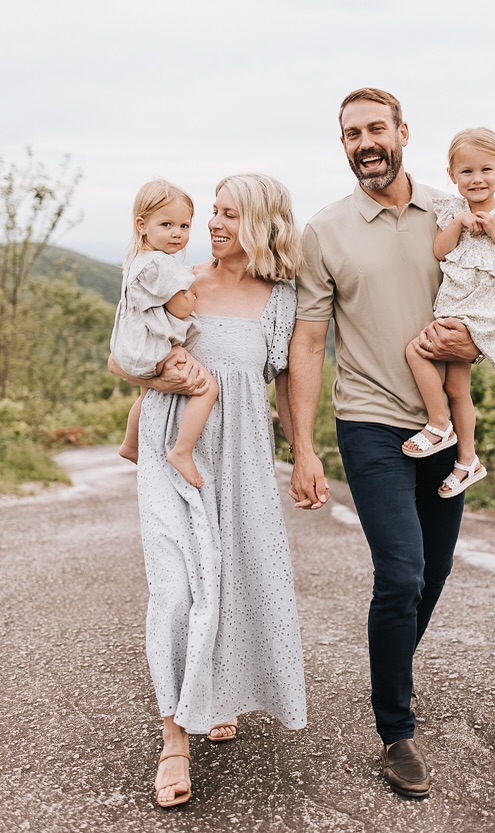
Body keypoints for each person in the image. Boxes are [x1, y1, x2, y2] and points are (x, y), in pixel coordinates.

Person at [288, 88, 481, 799]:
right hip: (369, 421)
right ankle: (395, 728)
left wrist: (477, 345)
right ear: (341, 144)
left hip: (443, 421)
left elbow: (486, 301)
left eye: (375, 129)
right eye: (349, 133)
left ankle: (389, 665)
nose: (363, 142)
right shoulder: (324, 230)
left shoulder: (449, 212)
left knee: (435, 570)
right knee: (399, 574)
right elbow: (309, 339)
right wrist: (303, 447)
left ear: (402, 132)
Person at [109, 173, 307, 808]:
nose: (215, 225)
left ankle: (217, 695)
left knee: (236, 577)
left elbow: (285, 380)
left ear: (262, 226)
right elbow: (121, 356)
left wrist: (305, 453)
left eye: (229, 215)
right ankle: (174, 736)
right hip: (175, 450)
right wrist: (161, 384)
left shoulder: (281, 298)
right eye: (212, 213)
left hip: (246, 455)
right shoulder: (175, 278)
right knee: (177, 586)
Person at [402, 128, 495, 498]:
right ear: (452, 176)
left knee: (416, 350)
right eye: (466, 172)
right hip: (459, 306)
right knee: (456, 387)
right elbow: (440, 251)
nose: (476, 179)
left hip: (486, 312)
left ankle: (439, 424)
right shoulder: (453, 211)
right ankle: (467, 460)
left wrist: (494, 230)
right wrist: (459, 224)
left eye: (485, 170)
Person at [111, 179, 218, 488]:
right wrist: (194, 289)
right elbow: (182, 307)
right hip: (153, 348)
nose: (177, 233)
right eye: (167, 224)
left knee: (146, 394)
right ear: (142, 225)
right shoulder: (159, 263)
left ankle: (130, 444)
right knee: (207, 388)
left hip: (131, 347)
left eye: (184, 226)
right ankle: (182, 451)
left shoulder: (136, 260)